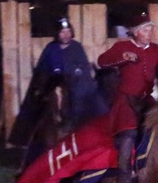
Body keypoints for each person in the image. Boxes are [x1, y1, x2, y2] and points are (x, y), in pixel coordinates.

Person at [97, 12, 158, 183]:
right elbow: (102, 62)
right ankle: (124, 175)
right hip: (126, 100)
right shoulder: (122, 46)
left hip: (146, 99)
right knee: (128, 135)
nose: (149, 33)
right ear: (136, 32)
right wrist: (124, 57)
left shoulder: (157, 50)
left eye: (150, 30)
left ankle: (154, 170)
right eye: (145, 30)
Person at [9, 17, 109, 164]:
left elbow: (83, 70)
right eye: (62, 32)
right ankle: (31, 142)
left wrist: (74, 76)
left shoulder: (76, 48)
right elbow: (42, 69)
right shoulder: (51, 49)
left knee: (93, 106)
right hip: (53, 83)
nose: (66, 35)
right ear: (57, 33)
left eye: (68, 31)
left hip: (75, 86)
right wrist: (46, 82)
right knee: (38, 105)